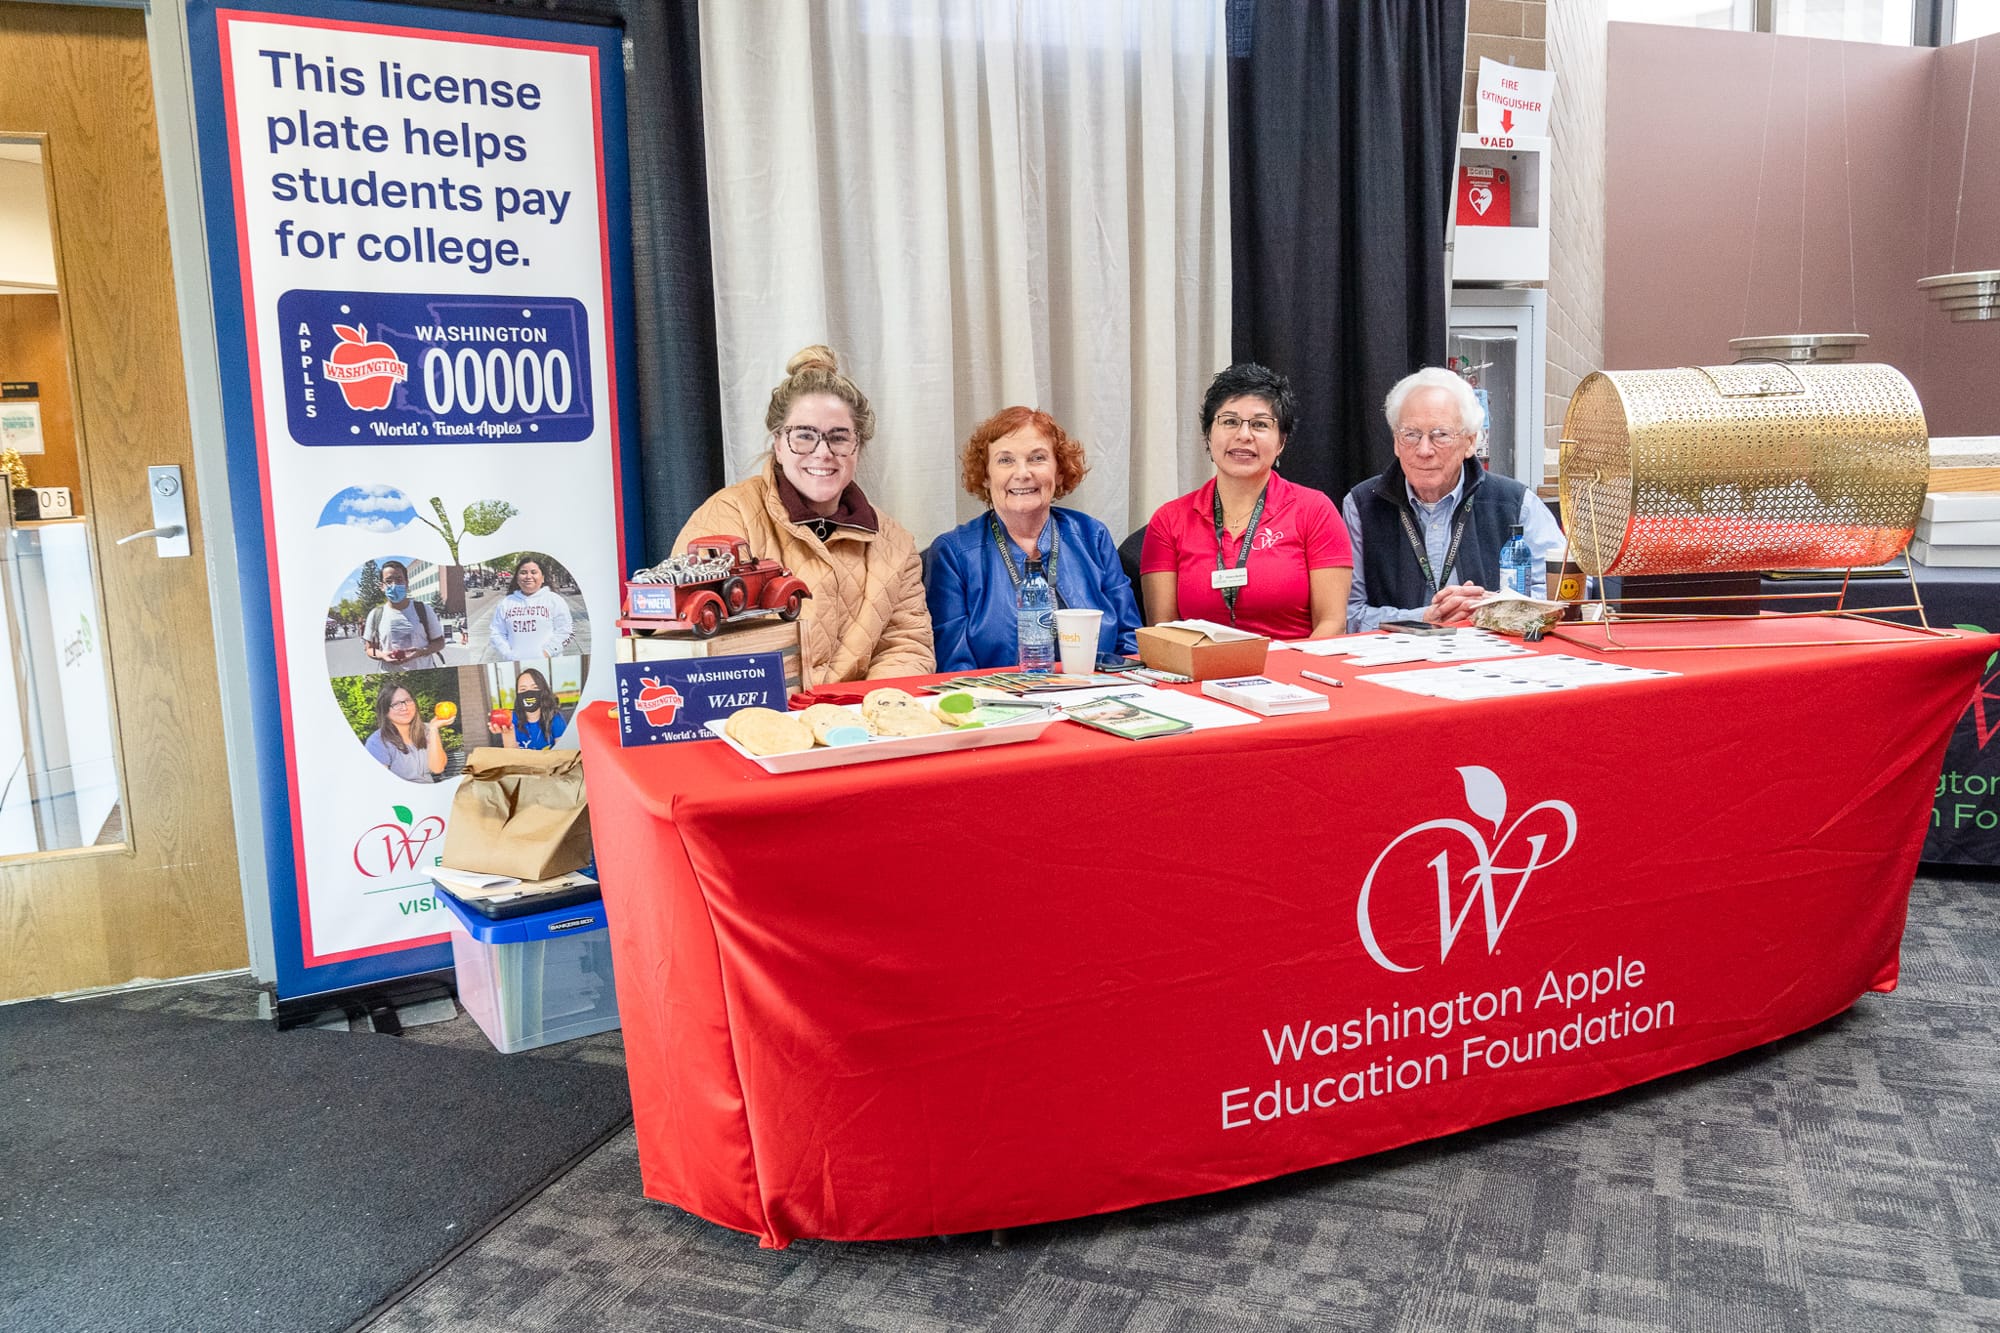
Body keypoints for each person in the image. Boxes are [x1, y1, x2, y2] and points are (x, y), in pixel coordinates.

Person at [674, 345, 933, 683]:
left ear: (858, 447)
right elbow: (695, 642)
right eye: (804, 436)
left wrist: (871, 714)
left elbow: (906, 647)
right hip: (756, 721)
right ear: (778, 444)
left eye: (839, 438)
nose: (822, 453)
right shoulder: (728, 516)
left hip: (853, 725)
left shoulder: (895, 542)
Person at [1140, 363, 1352, 641]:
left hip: (1293, 674)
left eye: (1260, 424)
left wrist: (1283, 675)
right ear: (1208, 434)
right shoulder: (1169, 520)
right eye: (1229, 421)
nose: (1243, 435)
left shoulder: (1314, 511)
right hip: (1200, 675)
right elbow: (1163, 632)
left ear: (1281, 443)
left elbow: (1332, 624)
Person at [1342, 367, 1565, 631]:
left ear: (1470, 442)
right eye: (1411, 435)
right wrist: (1424, 617)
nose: (1424, 450)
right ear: (1395, 442)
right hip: (1396, 659)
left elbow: (1566, 591)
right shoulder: (1363, 504)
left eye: (1441, 435)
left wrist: (1493, 608)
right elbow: (1347, 614)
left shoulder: (1515, 503)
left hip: (1495, 657)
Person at [924, 407, 1141, 672]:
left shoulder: (1092, 536)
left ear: (1059, 471)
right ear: (985, 476)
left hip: (1096, 697)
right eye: (1005, 460)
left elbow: (1131, 642)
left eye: (1037, 458)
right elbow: (953, 665)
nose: (1023, 473)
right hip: (998, 704)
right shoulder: (953, 553)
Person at [485, 556, 575, 661]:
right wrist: (508, 654)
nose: (528, 576)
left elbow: (566, 631)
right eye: (523, 573)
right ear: (517, 579)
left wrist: (547, 652)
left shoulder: (554, 600)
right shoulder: (506, 603)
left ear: (542, 578)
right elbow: (496, 633)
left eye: (533, 572)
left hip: (549, 661)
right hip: (515, 663)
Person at [361, 560, 445, 670]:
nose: (394, 585)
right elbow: (369, 649)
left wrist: (420, 652)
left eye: (399, 579)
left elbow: (440, 642)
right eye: (388, 581)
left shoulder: (423, 609)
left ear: (406, 583)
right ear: (382, 586)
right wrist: (382, 655)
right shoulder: (375, 614)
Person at [363, 683, 450, 782]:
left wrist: (433, 730)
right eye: (396, 704)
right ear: (385, 710)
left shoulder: (427, 729)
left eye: (408, 701)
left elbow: (438, 768)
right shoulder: (377, 742)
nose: (404, 707)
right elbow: (379, 783)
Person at [496, 666, 568, 750]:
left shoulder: (555, 719)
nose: (529, 693)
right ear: (517, 695)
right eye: (523, 689)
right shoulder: (510, 719)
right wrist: (507, 734)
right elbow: (512, 757)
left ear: (543, 692)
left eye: (535, 688)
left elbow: (562, 754)